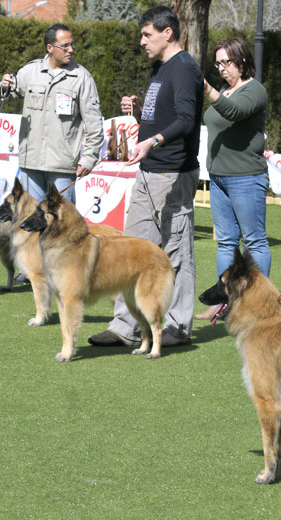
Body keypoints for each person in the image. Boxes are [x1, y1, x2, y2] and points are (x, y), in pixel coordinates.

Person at [88, 5, 204, 348]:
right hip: (148, 171)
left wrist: (152, 141)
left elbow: (186, 120)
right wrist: (140, 113)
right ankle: (125, 326)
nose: (141, 41)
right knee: (130, 252)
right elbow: (165, 117)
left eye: (146, 34)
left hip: (173, 175)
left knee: (175, 253)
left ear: (168, 33)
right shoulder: (159, 67)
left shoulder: (185, 69)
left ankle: (178, 327)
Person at [195, 37, 270, 321]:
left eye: (226, 62)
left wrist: (208, 89)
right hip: (219, 178)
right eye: (218, 63)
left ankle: (258, 305)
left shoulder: (254, 90)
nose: (222, 68)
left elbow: (235, 112)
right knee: (226, 242)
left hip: (246, 178)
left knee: (254, 242)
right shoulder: (225, 90)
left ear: (242, 60)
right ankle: (223, 304)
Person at [0, 23, 103, 204]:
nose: (71, 50)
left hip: (62, 165)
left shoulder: (82, 78)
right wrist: (4, 86)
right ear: (50, 48)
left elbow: (94, 124)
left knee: (61, 220)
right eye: (65, 46)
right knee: (31, 217)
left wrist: (89, 159)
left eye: (72, 44)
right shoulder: (31, 71)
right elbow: (2, 95)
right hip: (31, 162)